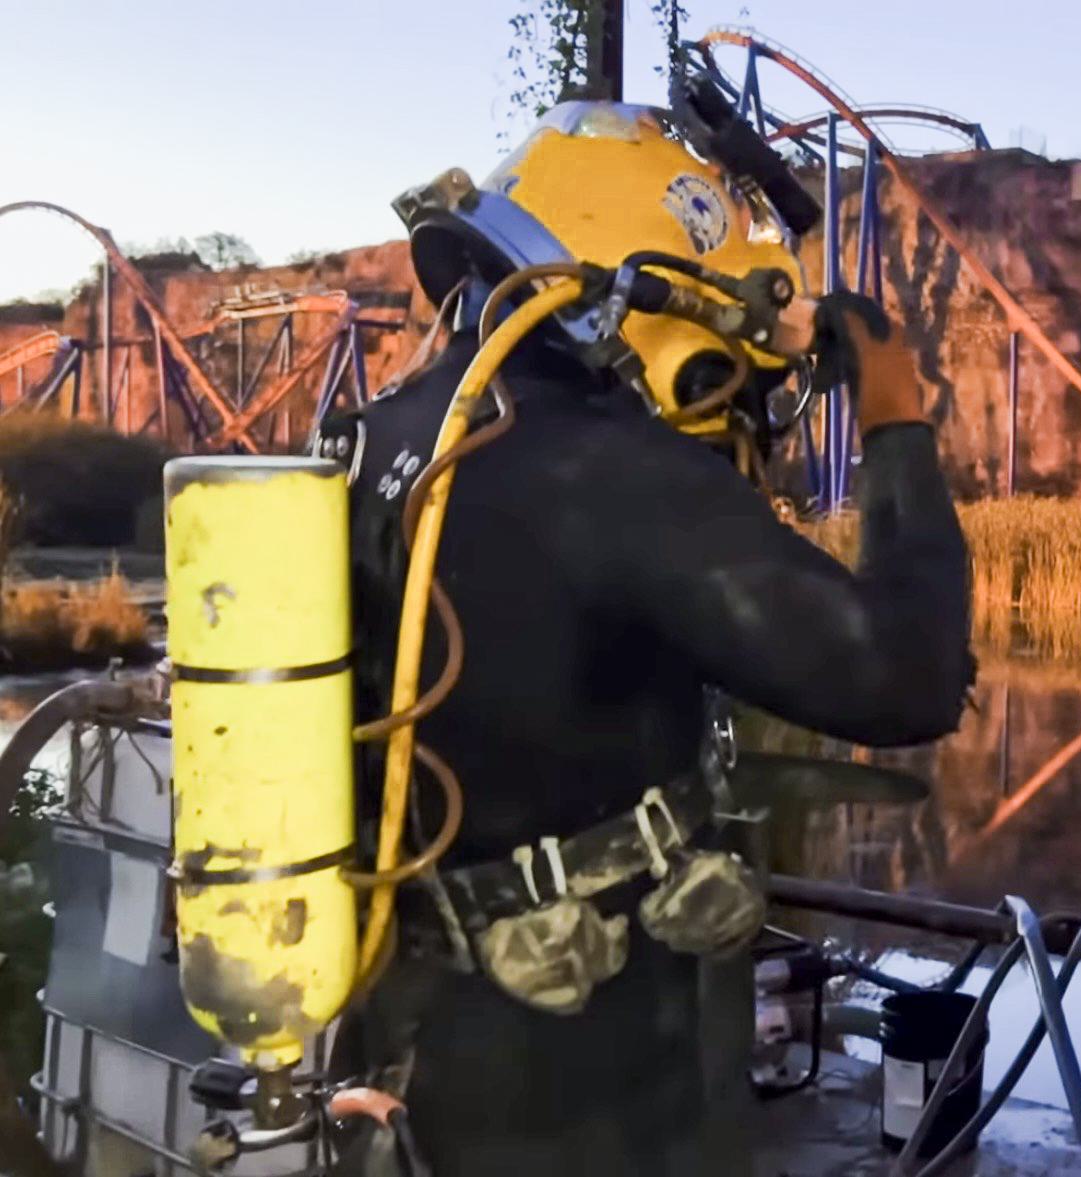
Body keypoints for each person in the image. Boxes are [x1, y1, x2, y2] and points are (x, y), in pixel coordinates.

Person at [319, 101, 975, 1176]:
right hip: (589, 1082)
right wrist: (896, 416)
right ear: (671, 295)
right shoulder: (613, 472)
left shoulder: (387, 430)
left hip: (406, 1014)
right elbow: (906, 677)